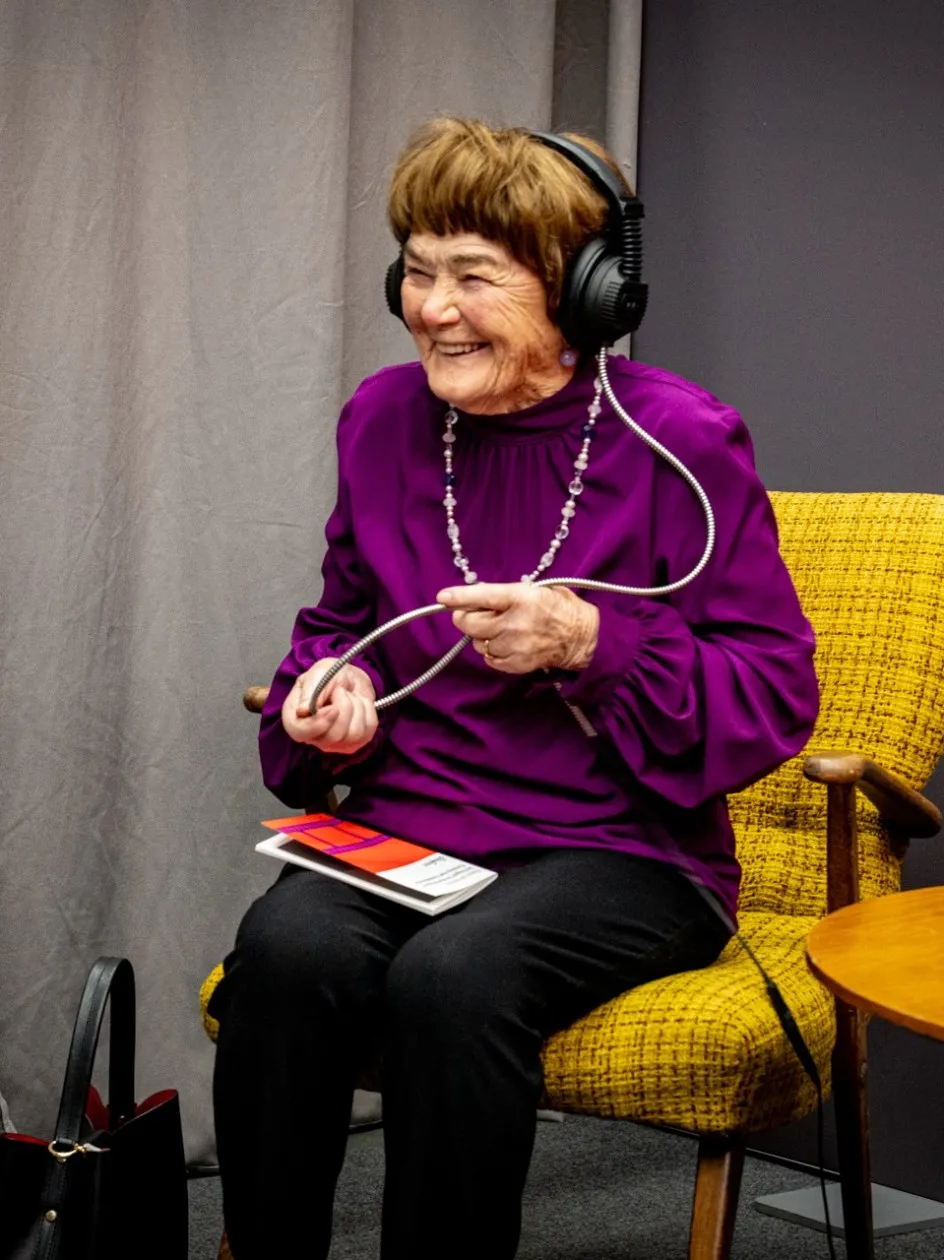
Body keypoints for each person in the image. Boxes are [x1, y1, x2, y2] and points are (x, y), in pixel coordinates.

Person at [210, 117, 819, 1260]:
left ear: (584, 294)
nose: (433, 309)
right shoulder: (383, 419)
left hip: (626, 853)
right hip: (415, 830)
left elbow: (772, 693)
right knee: (286, 950)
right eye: (417, 271)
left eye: (473, 277)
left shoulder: (680, 440)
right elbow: (344, 620)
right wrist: (330, 692)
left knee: (457, 973)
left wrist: (593, 641)